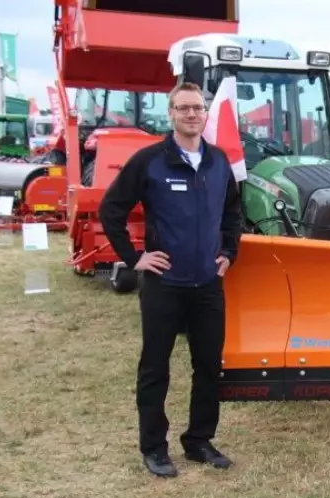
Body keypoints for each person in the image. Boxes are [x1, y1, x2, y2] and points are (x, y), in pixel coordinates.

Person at [98, 81, 244, 478]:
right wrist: (134, 258)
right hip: (164, 284)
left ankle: (198, 440)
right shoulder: (149, 161)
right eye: (183, 108)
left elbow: (233, 213)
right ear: (172, 114)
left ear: (205, 113)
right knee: (155, 367)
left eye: (198, 107)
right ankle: (154, 447)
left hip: (207, 284)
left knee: (209, 365)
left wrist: (229, 253)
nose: (192, 114)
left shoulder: (218, 162)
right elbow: (111, 210)